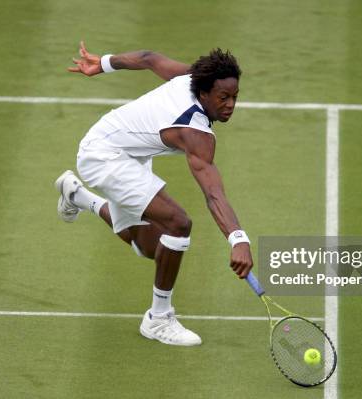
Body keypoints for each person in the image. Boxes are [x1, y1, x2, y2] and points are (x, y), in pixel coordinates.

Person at [56, 42, 253, 346]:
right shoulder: (196, 133)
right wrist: (238, 239)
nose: (230, 105)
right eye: (223, 97)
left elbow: (150, 59)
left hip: (121, 147)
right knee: (179, 224)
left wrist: (105, 63)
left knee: (151, 248)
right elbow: (213, 193)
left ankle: (78, 196)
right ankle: (158, 319)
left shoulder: (190, 77)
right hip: (104, 156)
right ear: (203, 94)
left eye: (234, 97)